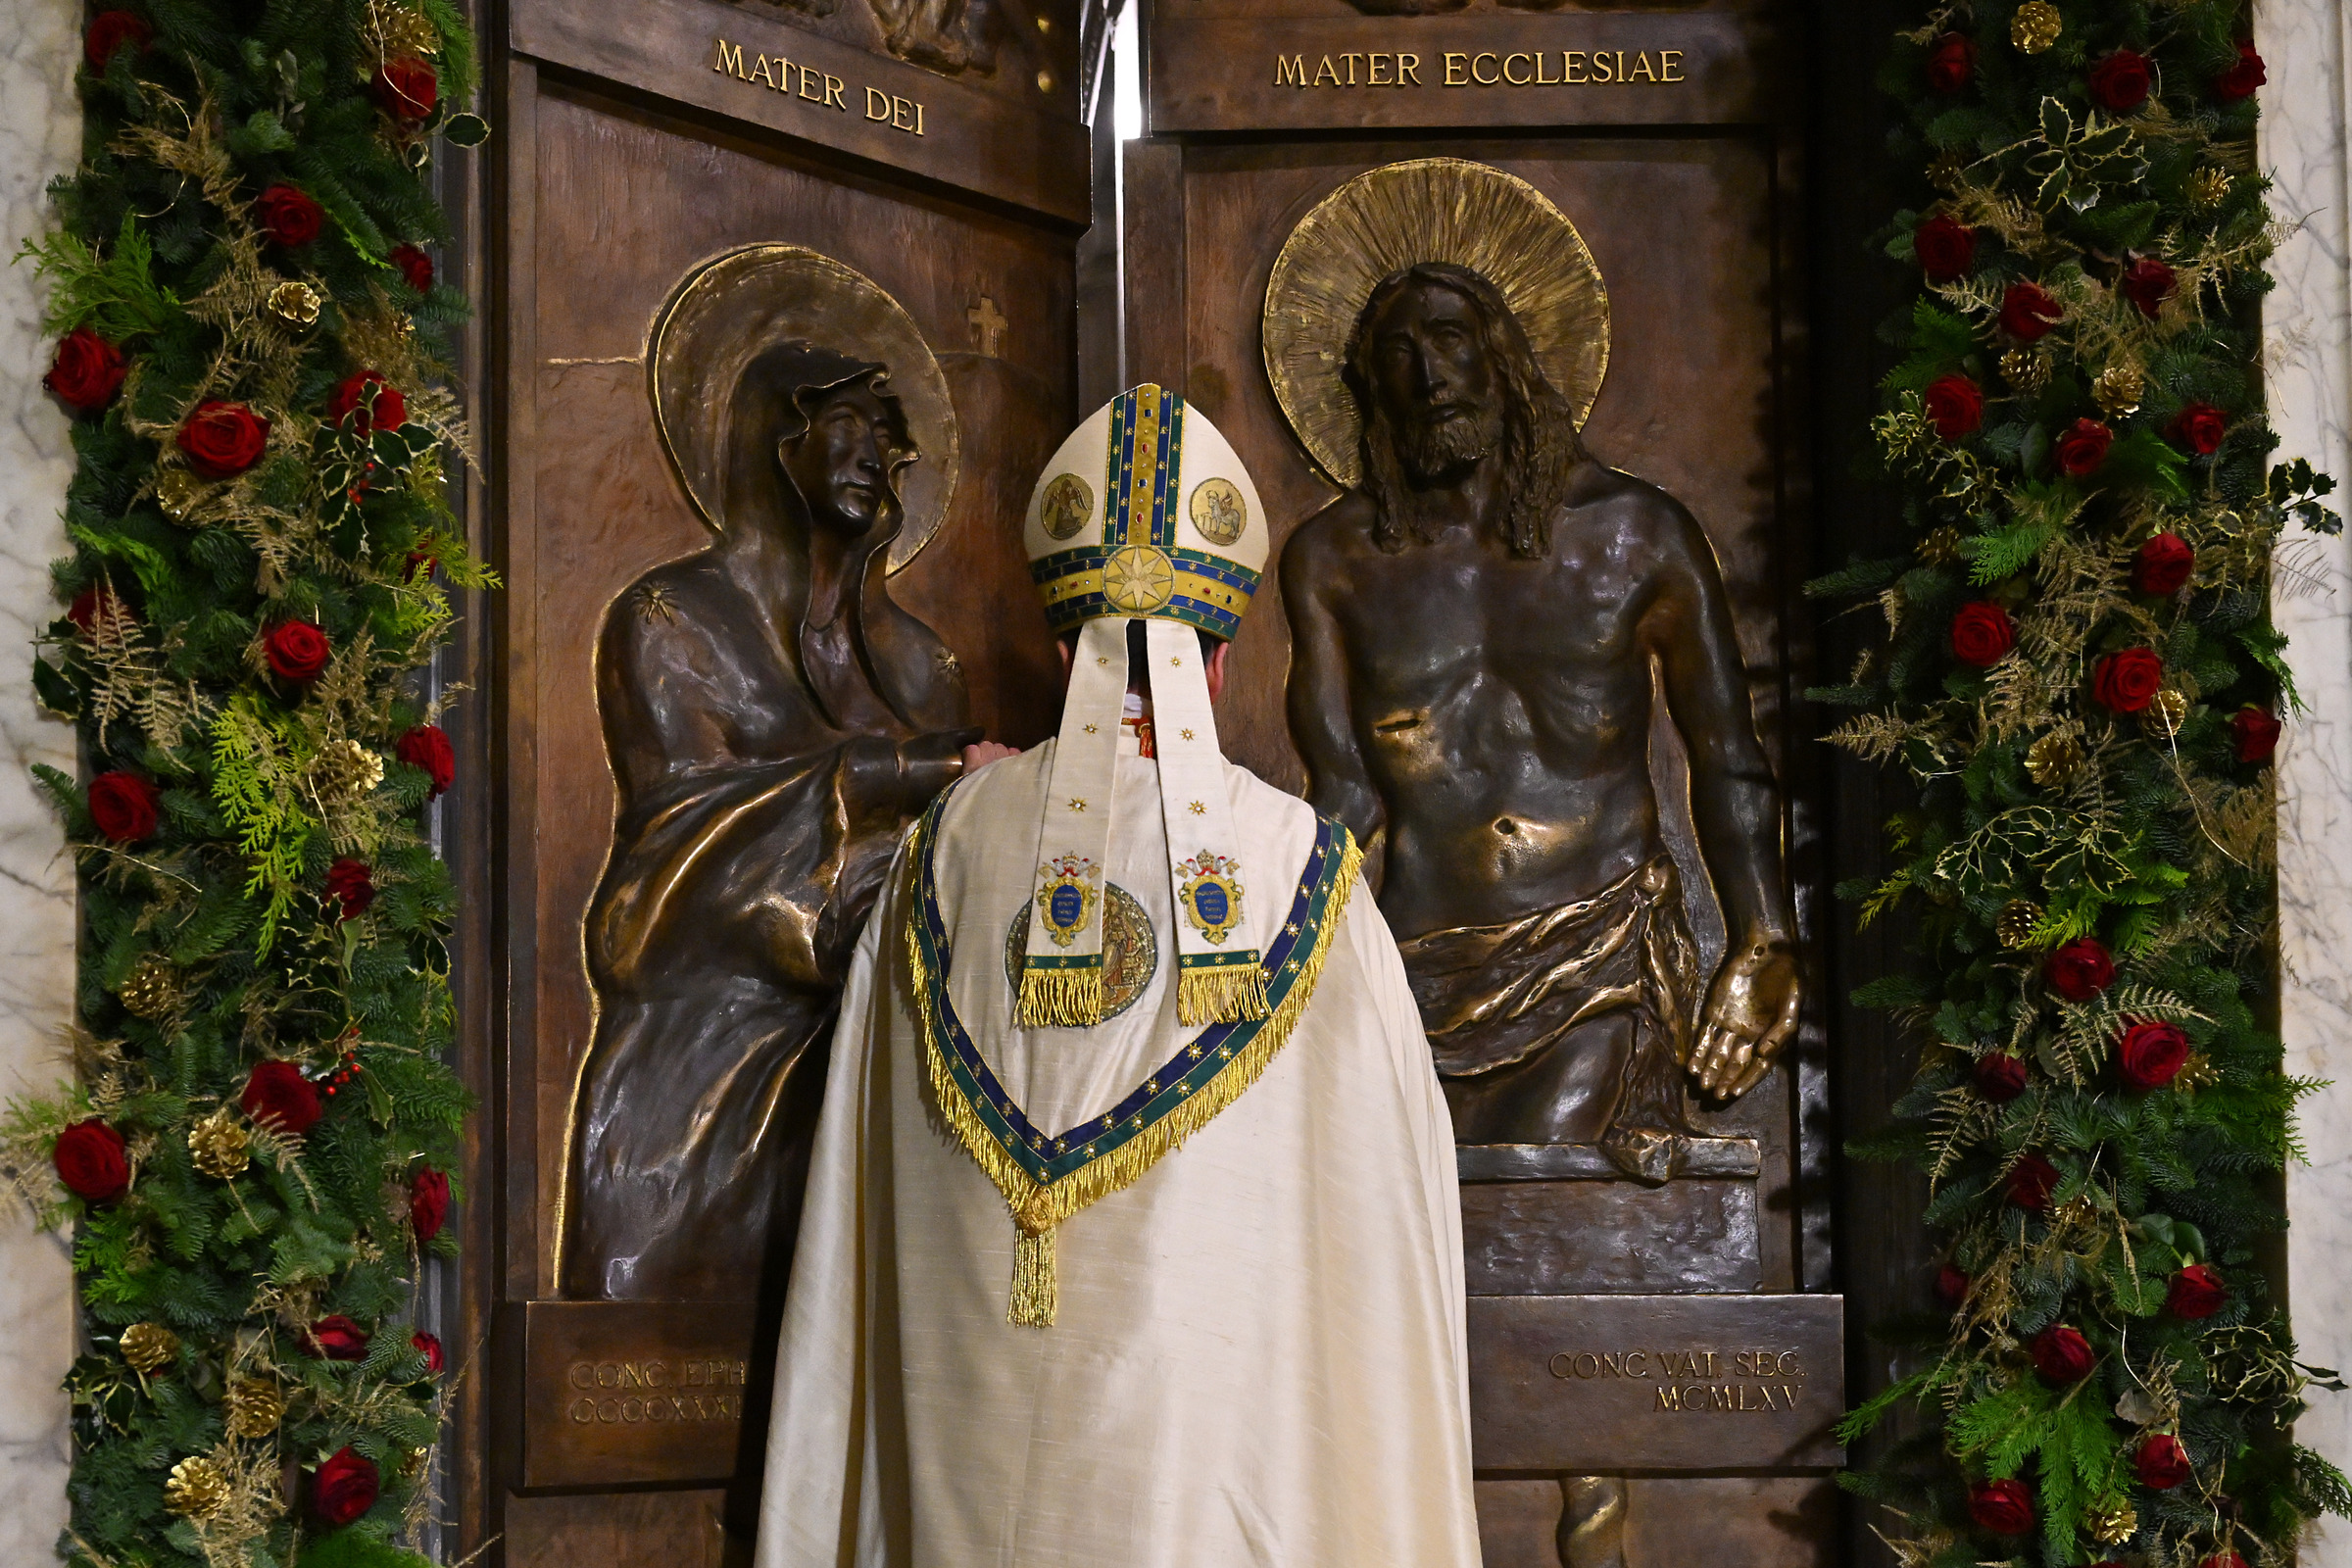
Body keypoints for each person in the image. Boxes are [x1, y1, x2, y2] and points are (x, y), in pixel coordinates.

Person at [753, 385, 1480, 1568]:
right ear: (1228, 658)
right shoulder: (1302, 868)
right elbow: (1383, 1216)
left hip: (965, 1440)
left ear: (1060, 647)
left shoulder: (944, 848)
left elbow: (862, 1192)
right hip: (1216, 1463)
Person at [1284, 261, 1802, 1181]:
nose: (1429, 376)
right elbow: (1344, 794)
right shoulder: (1336, 559)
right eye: (1399, 354)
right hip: (1411, 964)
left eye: (1449, 341)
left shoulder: (1639, 534)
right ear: (1372, 389)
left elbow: (1728, 759)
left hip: (1598, 951)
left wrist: (1762, 938)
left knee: (1539, 1182)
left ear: (1504, 360)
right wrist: (1274, 969)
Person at [562, 342, 976, 1301]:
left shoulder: (922, 666)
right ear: (765, 439)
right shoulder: (672, 617)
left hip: (878, 1065)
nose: (875, 449)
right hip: (705, 1062)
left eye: (888, 432)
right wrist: (905, 770)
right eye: (843, 423)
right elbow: (681, 849)